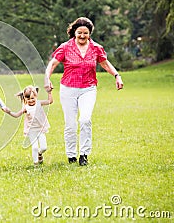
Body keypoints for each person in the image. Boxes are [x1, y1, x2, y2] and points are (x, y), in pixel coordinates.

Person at [44, 17, 124, 166]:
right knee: (70, 124)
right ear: (74, 32)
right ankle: (71, 155)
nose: (82, 36)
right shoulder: (65, 47)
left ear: (89, 33)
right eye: (79, 32)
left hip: (88, 88)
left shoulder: (96, 48)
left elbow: (105, 64)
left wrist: (117, 76)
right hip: (68, 89)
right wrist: (47, 78)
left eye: (85, 33)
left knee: (85, 120)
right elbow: (52, 64)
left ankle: (84, 155)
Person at [7, 86, 53, 166]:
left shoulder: (39, 103)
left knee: (43, 147)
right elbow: (17, 115)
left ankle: (40, 154)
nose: (31, 101)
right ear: (25, 99)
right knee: (34, 147)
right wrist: (9, 112)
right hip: (32, 131)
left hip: (40, 129)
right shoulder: (26, 108)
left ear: (36, 96)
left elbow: (50, 101)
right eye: (28, 99)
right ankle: (36, 164)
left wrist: (49, 93)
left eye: (32, 98)